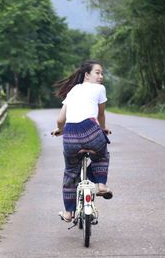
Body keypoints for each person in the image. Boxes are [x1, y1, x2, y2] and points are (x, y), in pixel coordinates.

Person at [51, 60, 112, 223]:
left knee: (71, 171)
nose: (101, 76)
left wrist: (61, 131)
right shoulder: (100, 89)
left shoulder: (72, 91)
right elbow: (100, 116)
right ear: (87, 75)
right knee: (101, 156)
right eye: (97, 73)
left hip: (70, 135)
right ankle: (101, 185)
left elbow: (60, 119)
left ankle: (68, 212)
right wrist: (104, 128)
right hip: (91, 131)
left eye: (102, 73)